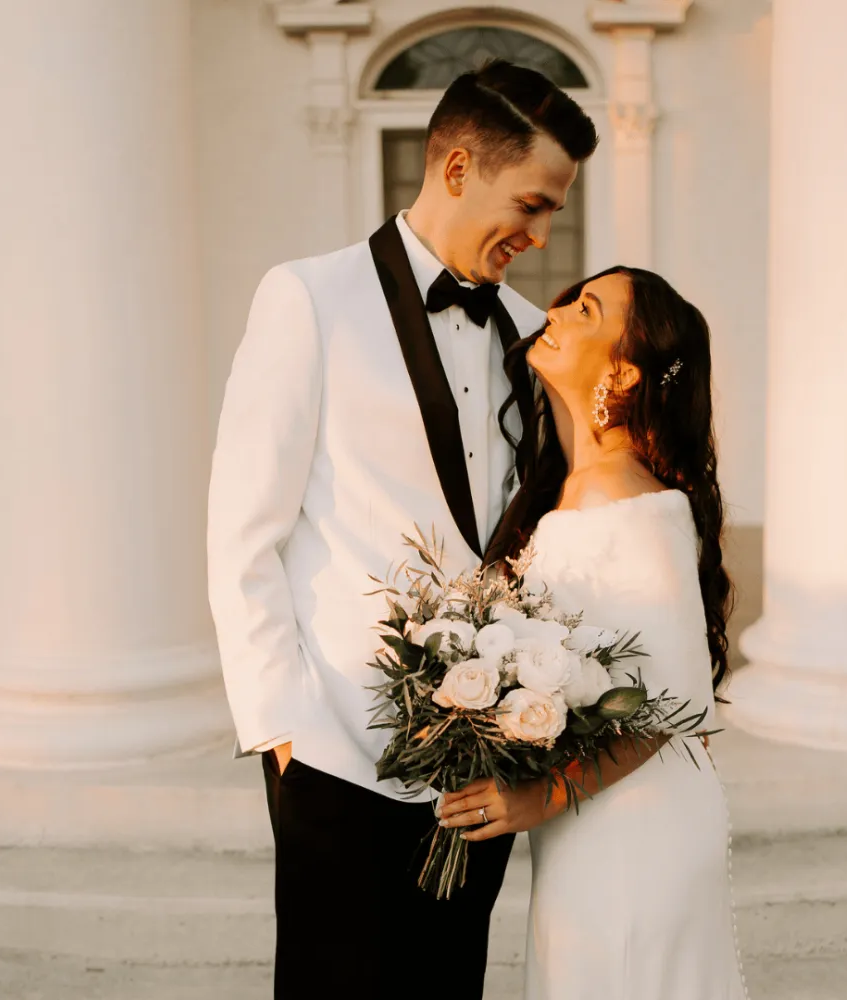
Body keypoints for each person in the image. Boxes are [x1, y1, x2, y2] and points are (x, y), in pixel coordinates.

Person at [206, 60, 598, 999]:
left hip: (481, 760)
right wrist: (280, 727)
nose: (541, 236)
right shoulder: (305, 298)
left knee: (447, 981)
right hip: (335, 748)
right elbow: (241, 528)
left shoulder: (527, 329)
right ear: (458, 168)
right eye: (532, 204)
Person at [438, 267, 751, 998]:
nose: (558, 310)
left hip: (635, 826)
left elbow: (672, 706)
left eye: (587, 308)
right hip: (596, 814)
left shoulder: (627, 497)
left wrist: (535, 800)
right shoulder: (575, 485)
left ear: (622, 369)